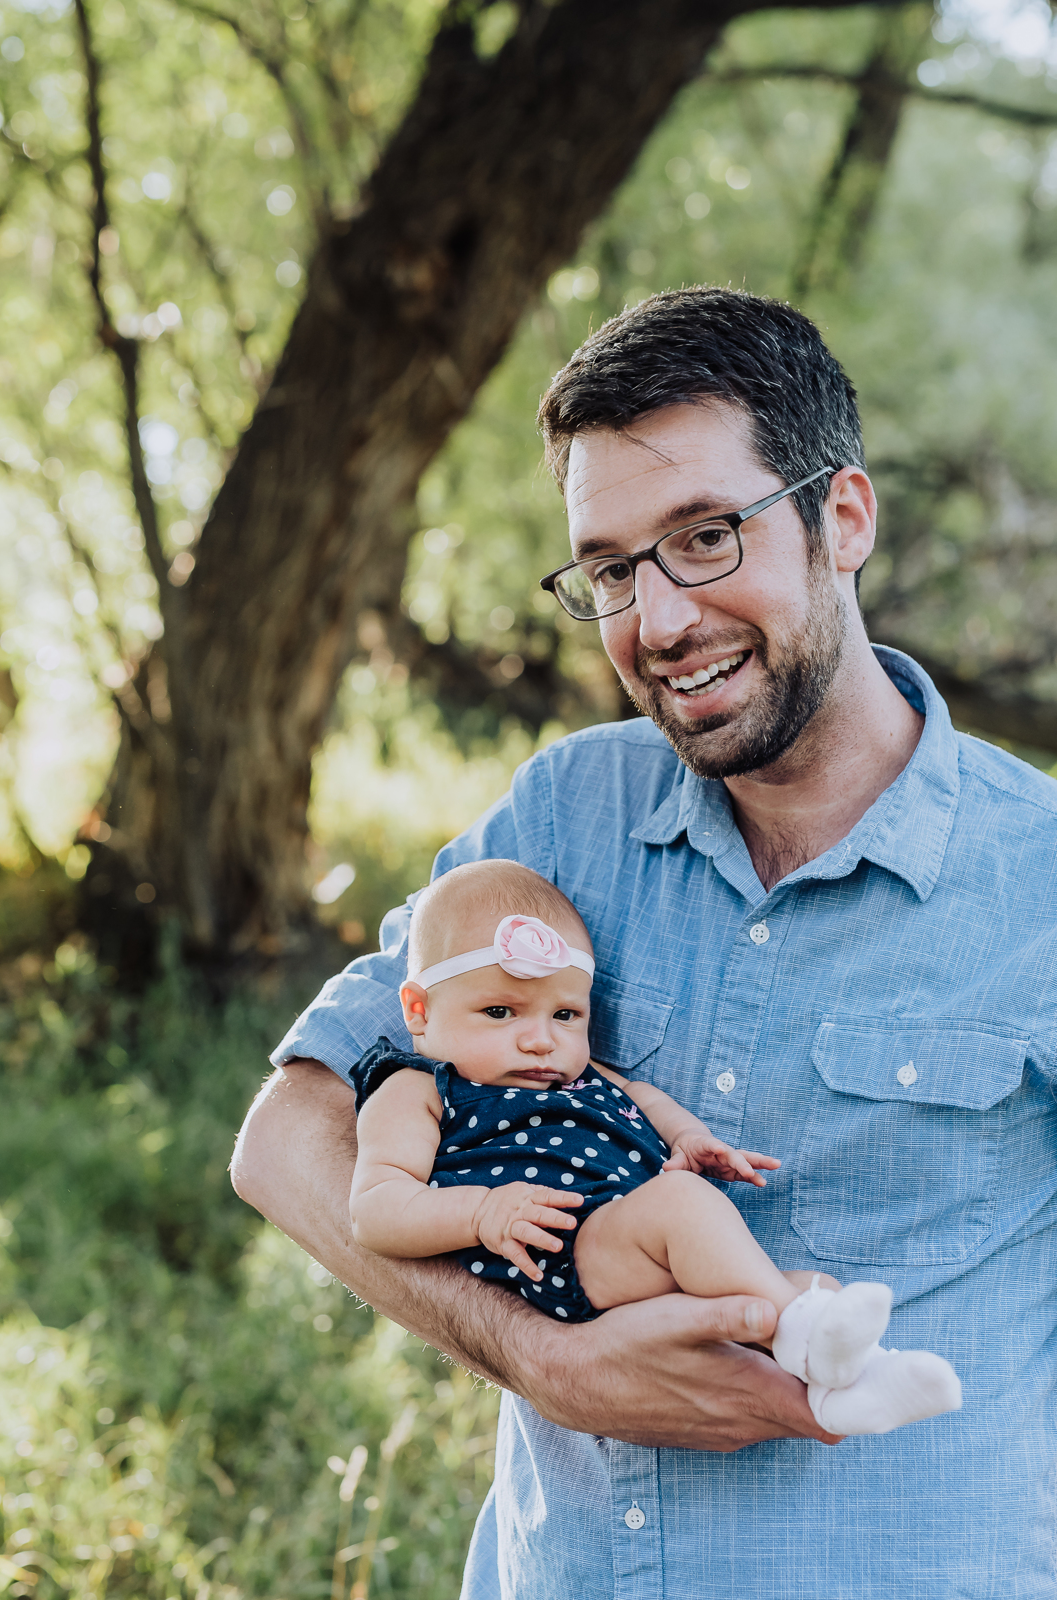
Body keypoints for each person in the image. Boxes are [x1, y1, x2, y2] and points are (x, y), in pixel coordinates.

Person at [232, 287, 1057, 1597]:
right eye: (611, 568)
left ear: (840, 518)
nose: (659, 620)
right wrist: (540, 1359)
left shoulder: (1039, 882)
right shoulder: (563, 817)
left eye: (707, 537)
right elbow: (285, 1137)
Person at [348, 857, 961, 1437]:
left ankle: (854, 1384)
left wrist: (690, 1136)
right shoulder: (421, 1088)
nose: (540, 1041)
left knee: (811, 1285)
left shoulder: (581, 1078)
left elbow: (643, 1094)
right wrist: (480, 1212)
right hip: (567, 1255)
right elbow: (375, 1207)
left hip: (634, 1241)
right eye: (501, 1011)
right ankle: (813, 1341)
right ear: (419, 1011)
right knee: (682, 1205)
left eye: (565, 1015)